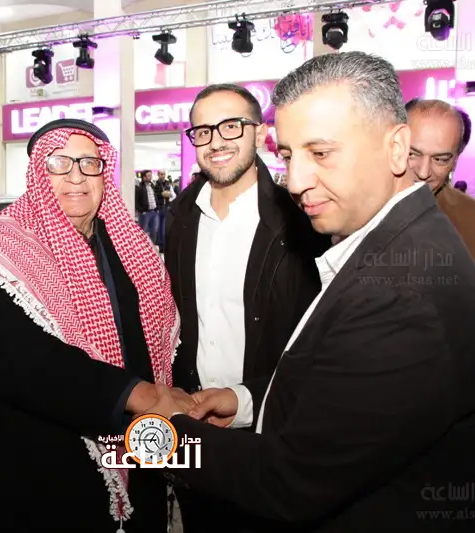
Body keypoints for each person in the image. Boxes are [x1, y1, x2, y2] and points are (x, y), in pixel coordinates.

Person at [147, 51, 475, 532]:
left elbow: (288, 480)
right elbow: (331, 389)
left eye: (321, 153)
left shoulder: (398, 295)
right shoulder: (399, 243)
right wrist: (245, 400)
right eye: (288, 156)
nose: (297, 182)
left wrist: (147, 436)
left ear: (397, 148)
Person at [0, 118, 185, 533]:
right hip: (45, 462)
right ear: (38, 173)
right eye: (59, 163)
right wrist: (138, 395)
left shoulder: (131, 246)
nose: (76, 177)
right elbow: (17, 362)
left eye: (89, 163)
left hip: (139, 441)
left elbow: (158, 340)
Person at [164, 83, 327, 533]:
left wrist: (247, 400)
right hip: (193, 430)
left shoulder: (302, 221)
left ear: (260, 133)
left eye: (231, 126)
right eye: (203, 130)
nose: (216, 141)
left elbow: (316, 347)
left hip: (271, 437)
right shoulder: (179, 218)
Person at [405, 98, 475, 313]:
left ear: (456, 159)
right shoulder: (355, 206)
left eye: (440, 159)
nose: (423, 172)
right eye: (412, 154)